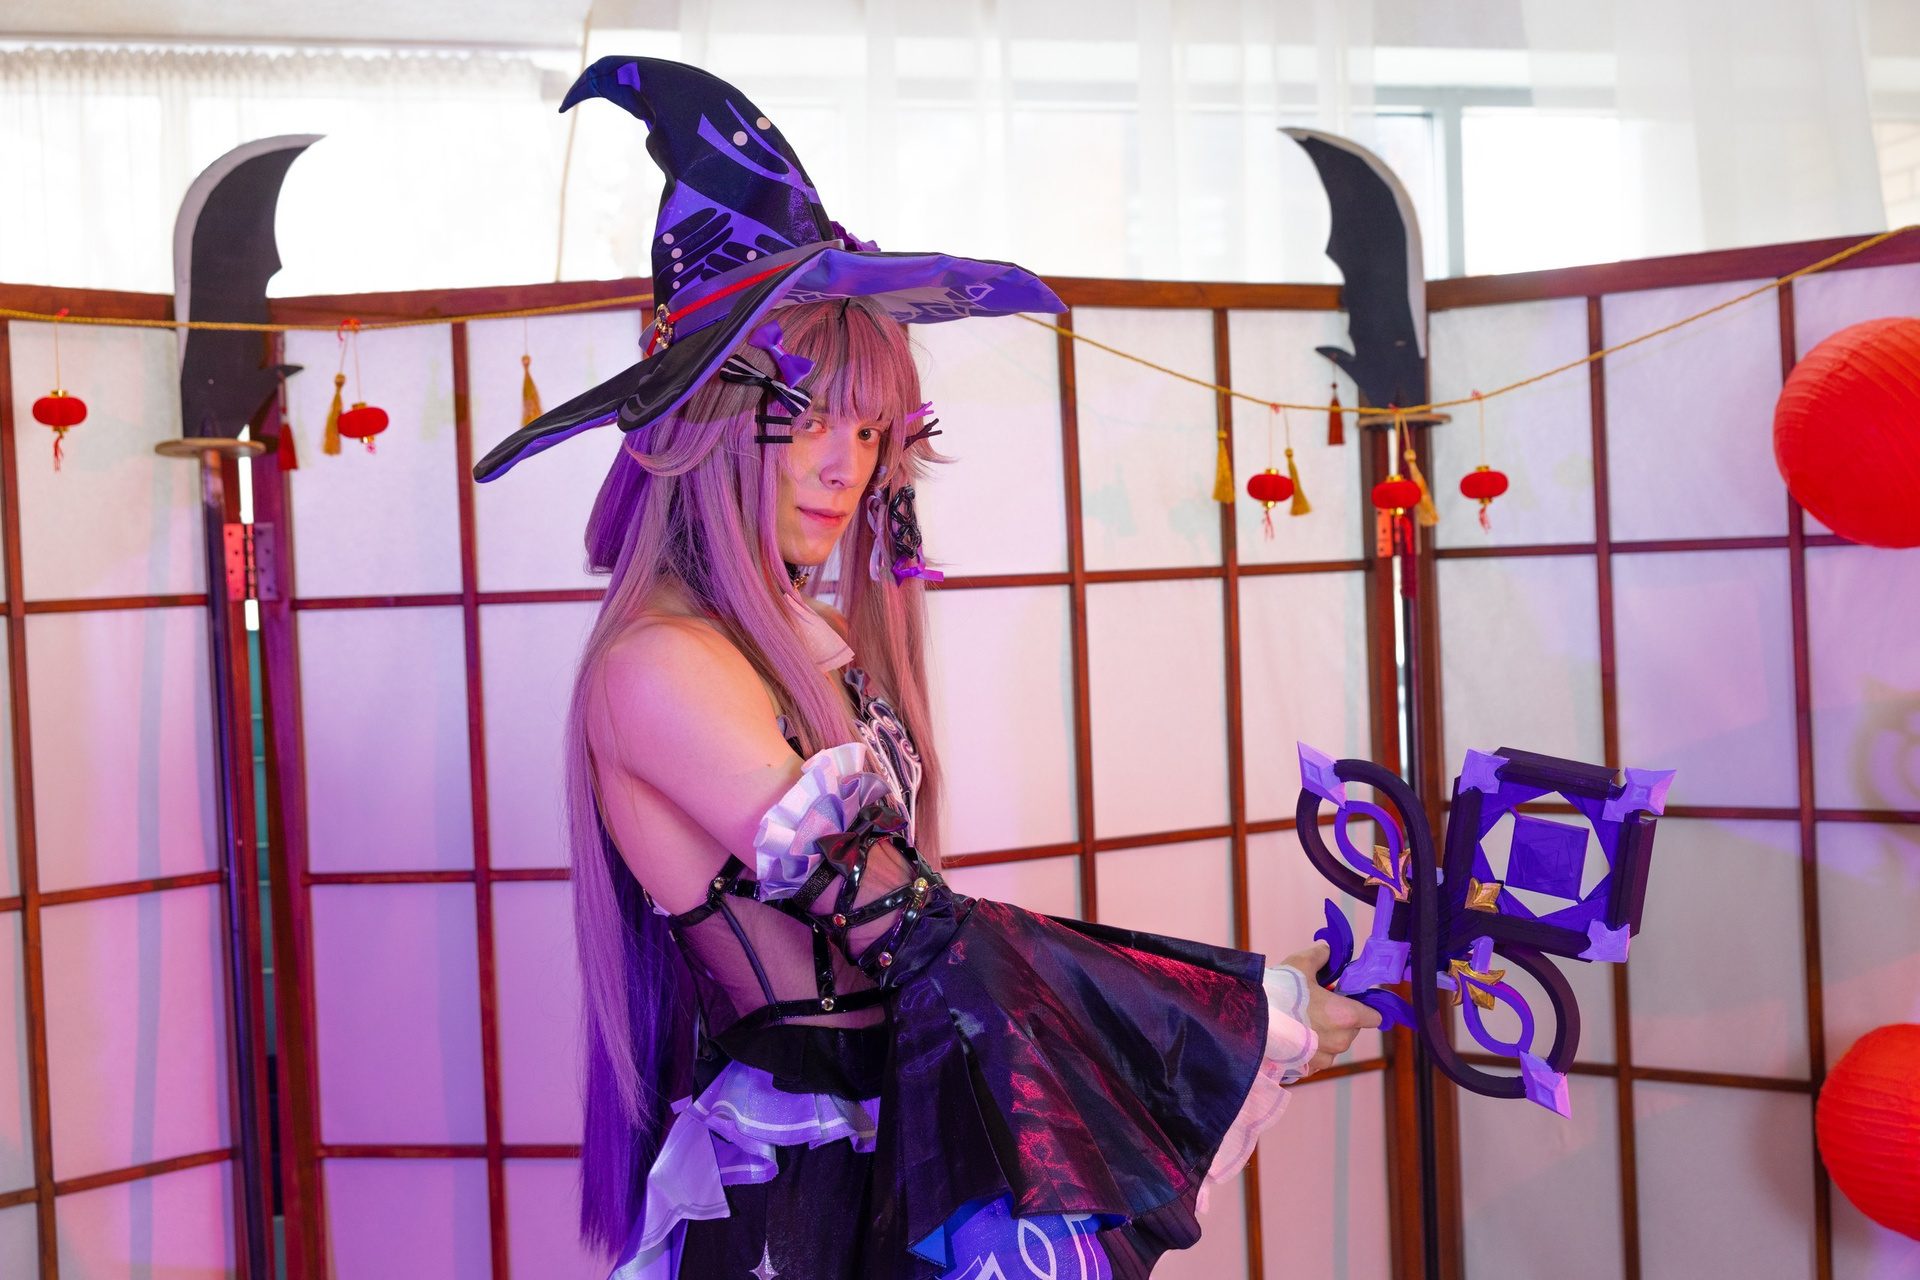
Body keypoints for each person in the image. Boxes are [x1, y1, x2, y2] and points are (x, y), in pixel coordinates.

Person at [475, 56, 1380, 1280]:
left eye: (869, 428)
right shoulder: (660, 668)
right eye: (806, 414)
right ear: (711, 419)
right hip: (800, 1198)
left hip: (890, 1149)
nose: (843, 465)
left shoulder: (788, 646)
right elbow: (913, 927)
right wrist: (1234, 1009)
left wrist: (1237, 997)